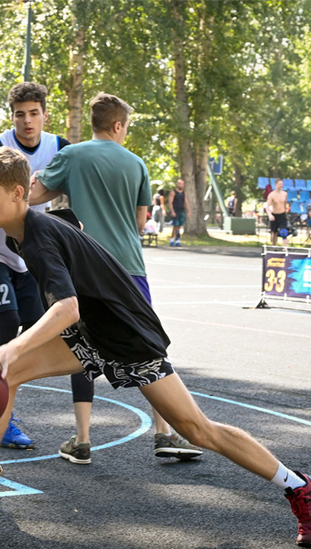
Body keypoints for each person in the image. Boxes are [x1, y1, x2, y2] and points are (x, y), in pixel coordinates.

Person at [0, 147, 311, 547]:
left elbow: (68, 308)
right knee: (3, 375)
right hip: (96, 332)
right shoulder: (23, 233)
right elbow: (76, 251)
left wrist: (12, 345)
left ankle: (301, 487)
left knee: (196, 429)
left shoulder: (36, 237)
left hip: (125, 336)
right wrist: (13, 353)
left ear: (18, 193)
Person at [29, 92, 200, 464]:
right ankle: (164, 433)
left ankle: (83, 439)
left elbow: (33, 195)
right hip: (128, 267)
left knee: (81, 349)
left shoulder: (72, 156)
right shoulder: (137, 164)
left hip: (84, 267)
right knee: (148, 350)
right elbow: (141, 221)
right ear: (118, 125)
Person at [0, 82, 71, 450]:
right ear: (11, 116)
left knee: (36, 328)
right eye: (19, 114)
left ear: (45, 114)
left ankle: (2, 401)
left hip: (28, 253)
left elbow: (73, 190)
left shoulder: (61, 148)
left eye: (33, 113)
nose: (27, 121)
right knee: (8, 322)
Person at [265, 179, 289, 247]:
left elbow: (285, 204)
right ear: (275, 185)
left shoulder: (284, 194)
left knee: (284, 232)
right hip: (275, 215)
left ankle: (284, 248)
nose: (281, 185)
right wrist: (270, 215)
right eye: (279, 184)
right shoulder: (271, 195)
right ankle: (274, 246)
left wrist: (286, 214)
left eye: (282, 184)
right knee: (274, 232)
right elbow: (267, 206)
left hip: (282, 214)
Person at [168, 179, 188, 246]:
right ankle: (171, 239)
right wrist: (172, 211)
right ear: (177, 184)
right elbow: (170, 202)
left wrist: (188, 211)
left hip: (181, 210)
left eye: (182, 184)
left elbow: (186, 202)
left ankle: (178, 240)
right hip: (175, 210)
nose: (181, 185)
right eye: (180, 184)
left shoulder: (184, 193)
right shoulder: (173, 192)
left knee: (179, 226)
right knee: (175, 226)